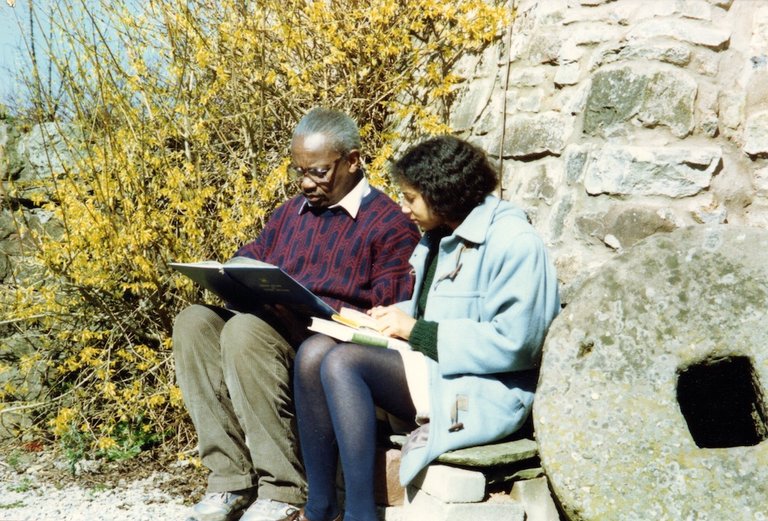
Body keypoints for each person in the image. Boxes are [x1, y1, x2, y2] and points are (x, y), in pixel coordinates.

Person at [283, 135, 560, 521]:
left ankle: (359, 515)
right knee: (314, 352)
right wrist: (380, 319)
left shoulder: (514, 242)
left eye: (410, 198)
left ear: (442, 194)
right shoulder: (438, 236)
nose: (402, 207)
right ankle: (321, 506)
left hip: (483, 388)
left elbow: (519, 343)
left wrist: (415, 331)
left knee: (343, 363)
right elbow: (431, 309)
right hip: (434, 369)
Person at [172, 108, 421, 521]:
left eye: (319, 172)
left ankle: (283, 489)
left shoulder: (390, 224)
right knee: (193, 322)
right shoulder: (292, 212)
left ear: (353, 161)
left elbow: (388, 314)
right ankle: (229, 480)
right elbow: (254, 255)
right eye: (299, 171)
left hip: (323, 349)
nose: (307, 183)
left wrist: (319, 310)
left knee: (245, 331)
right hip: (273, 332)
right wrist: (233, 273)